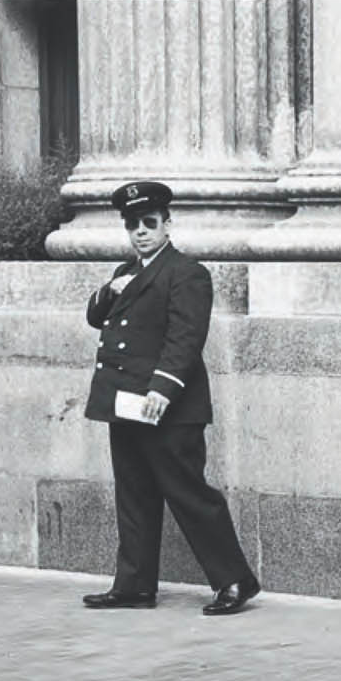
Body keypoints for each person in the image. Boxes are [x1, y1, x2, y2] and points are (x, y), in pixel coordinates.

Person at [80, 181, 259, 615]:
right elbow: (95, 317)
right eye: (132, 225)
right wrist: (111, 291)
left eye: (149, 222)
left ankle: (234, 580)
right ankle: (135, 585)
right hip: (126, 404)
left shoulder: (186, 272)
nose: (141, 231)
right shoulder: (128, 271)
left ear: (166, 224)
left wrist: (162, 388)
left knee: (189, 494)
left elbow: (185, 337)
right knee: (134, 494)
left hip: (167, 408)